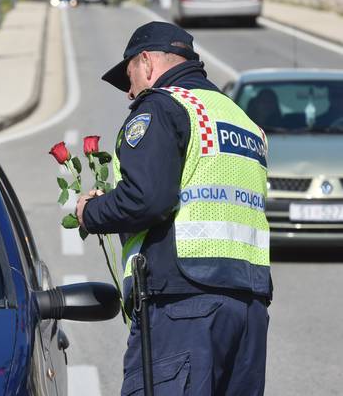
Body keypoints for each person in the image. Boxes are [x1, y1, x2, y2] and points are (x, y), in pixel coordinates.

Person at [75, 22, 271, 396]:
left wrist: (93, 211)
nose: (129, 91)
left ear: (146, 62)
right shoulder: (241, 120)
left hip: (185, 305)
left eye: (129, 76)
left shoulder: (164, 107)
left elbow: (147, 199)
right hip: (248, 309)